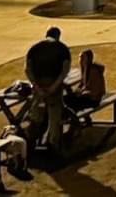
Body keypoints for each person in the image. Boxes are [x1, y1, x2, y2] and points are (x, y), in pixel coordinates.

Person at [24, 27, 70, 155]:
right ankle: (53, 145)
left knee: (36, 117)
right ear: (58, 36)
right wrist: (53, 87)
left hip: (38, 86)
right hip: (54, 86)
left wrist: (36, 86)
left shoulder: (34, 48)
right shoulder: (62, 49)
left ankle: (29, 144)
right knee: (55, 117)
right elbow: (64, 71)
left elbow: (27, 69)